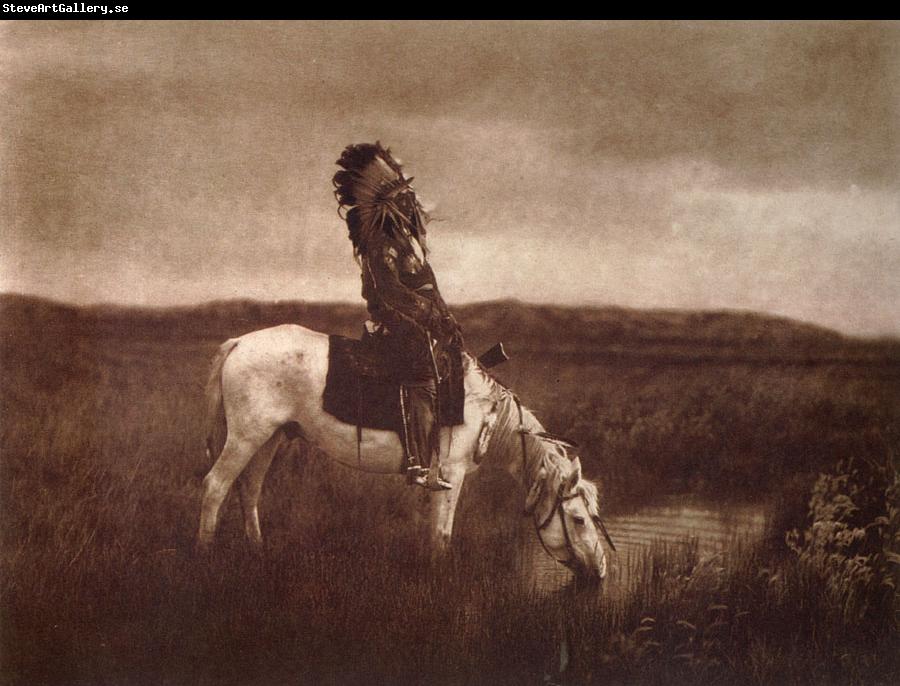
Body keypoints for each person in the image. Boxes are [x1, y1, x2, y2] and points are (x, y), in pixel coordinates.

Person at [333, 142, 464, 491]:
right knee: (422, 373)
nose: (412, 203)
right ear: (390, 205)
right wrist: (427, 318)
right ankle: (418, 463)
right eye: (404, 198)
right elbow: (385, 295)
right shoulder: (381, 245)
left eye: (410, 196)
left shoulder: (408, 242)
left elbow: (427, 286)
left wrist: (444, 319)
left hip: (419, 320)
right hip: (395, 323)